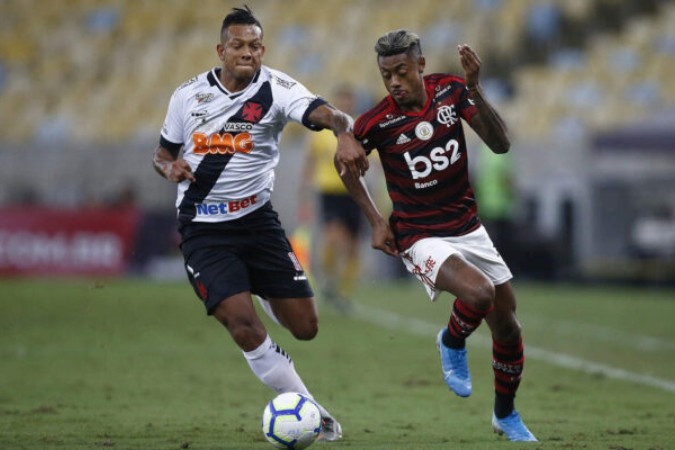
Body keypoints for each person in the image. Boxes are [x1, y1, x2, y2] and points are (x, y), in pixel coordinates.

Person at [152, 6, 363, 441]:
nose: (247, 53)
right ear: (221, 50)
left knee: (306, 328)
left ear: (262, 49)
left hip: (257, 223)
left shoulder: (277, 88)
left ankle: (264, 288)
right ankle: (316, 416)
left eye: (254, 46)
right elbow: (163, 153)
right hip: (203, 229)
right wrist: (169, 168)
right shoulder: (186, 96)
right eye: (238, 46)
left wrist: (342, 130)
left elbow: (326, 112)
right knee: (244, 326)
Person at [335, 29, 538, 442]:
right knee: (479, 294)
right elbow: (346, 167)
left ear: (421, 66)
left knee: (508, 328)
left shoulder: (450, 90)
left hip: (468, 228)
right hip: (418, 234)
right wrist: (376, 220)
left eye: (401, 71)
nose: (393, 81)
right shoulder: (376, 122)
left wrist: (476, 88)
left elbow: (499, 145)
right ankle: (450, 340)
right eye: (386, 74)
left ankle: (505, 415)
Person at [298, 85, 364, 314]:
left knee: (353, 248)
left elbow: (371, 165)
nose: (345, 105)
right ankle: (327, 279)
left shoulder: (359, 129)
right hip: (330, 192)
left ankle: (344, 294)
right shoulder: (322, 134)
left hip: (354, 192)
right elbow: (310, 162)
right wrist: (304, 193)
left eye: (348, 101)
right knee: (334, 239)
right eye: (341, 101)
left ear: (352, 104)